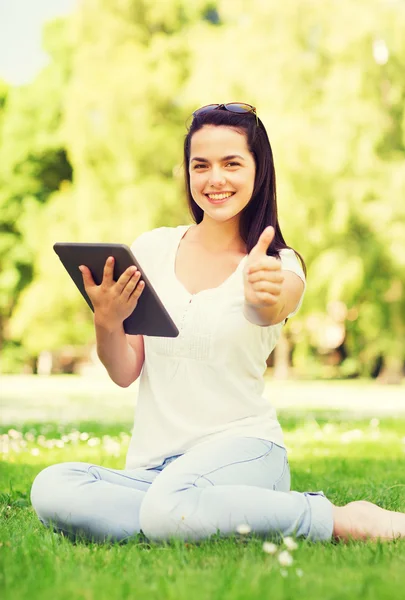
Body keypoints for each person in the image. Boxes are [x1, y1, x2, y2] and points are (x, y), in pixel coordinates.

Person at [31, 103, 405, 544]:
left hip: (245, 452)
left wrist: (259, 295)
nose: (215, 179)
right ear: (187, 173)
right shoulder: (151, 249)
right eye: (201, 165)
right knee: (52, 487)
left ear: (258, 170)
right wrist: (107, 322)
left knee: (168, 508)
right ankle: (188, 515)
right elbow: (124, 371)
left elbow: (270, 305)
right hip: (156, 469)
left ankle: (337, 518)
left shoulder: (279, 265)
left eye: (232, 164)